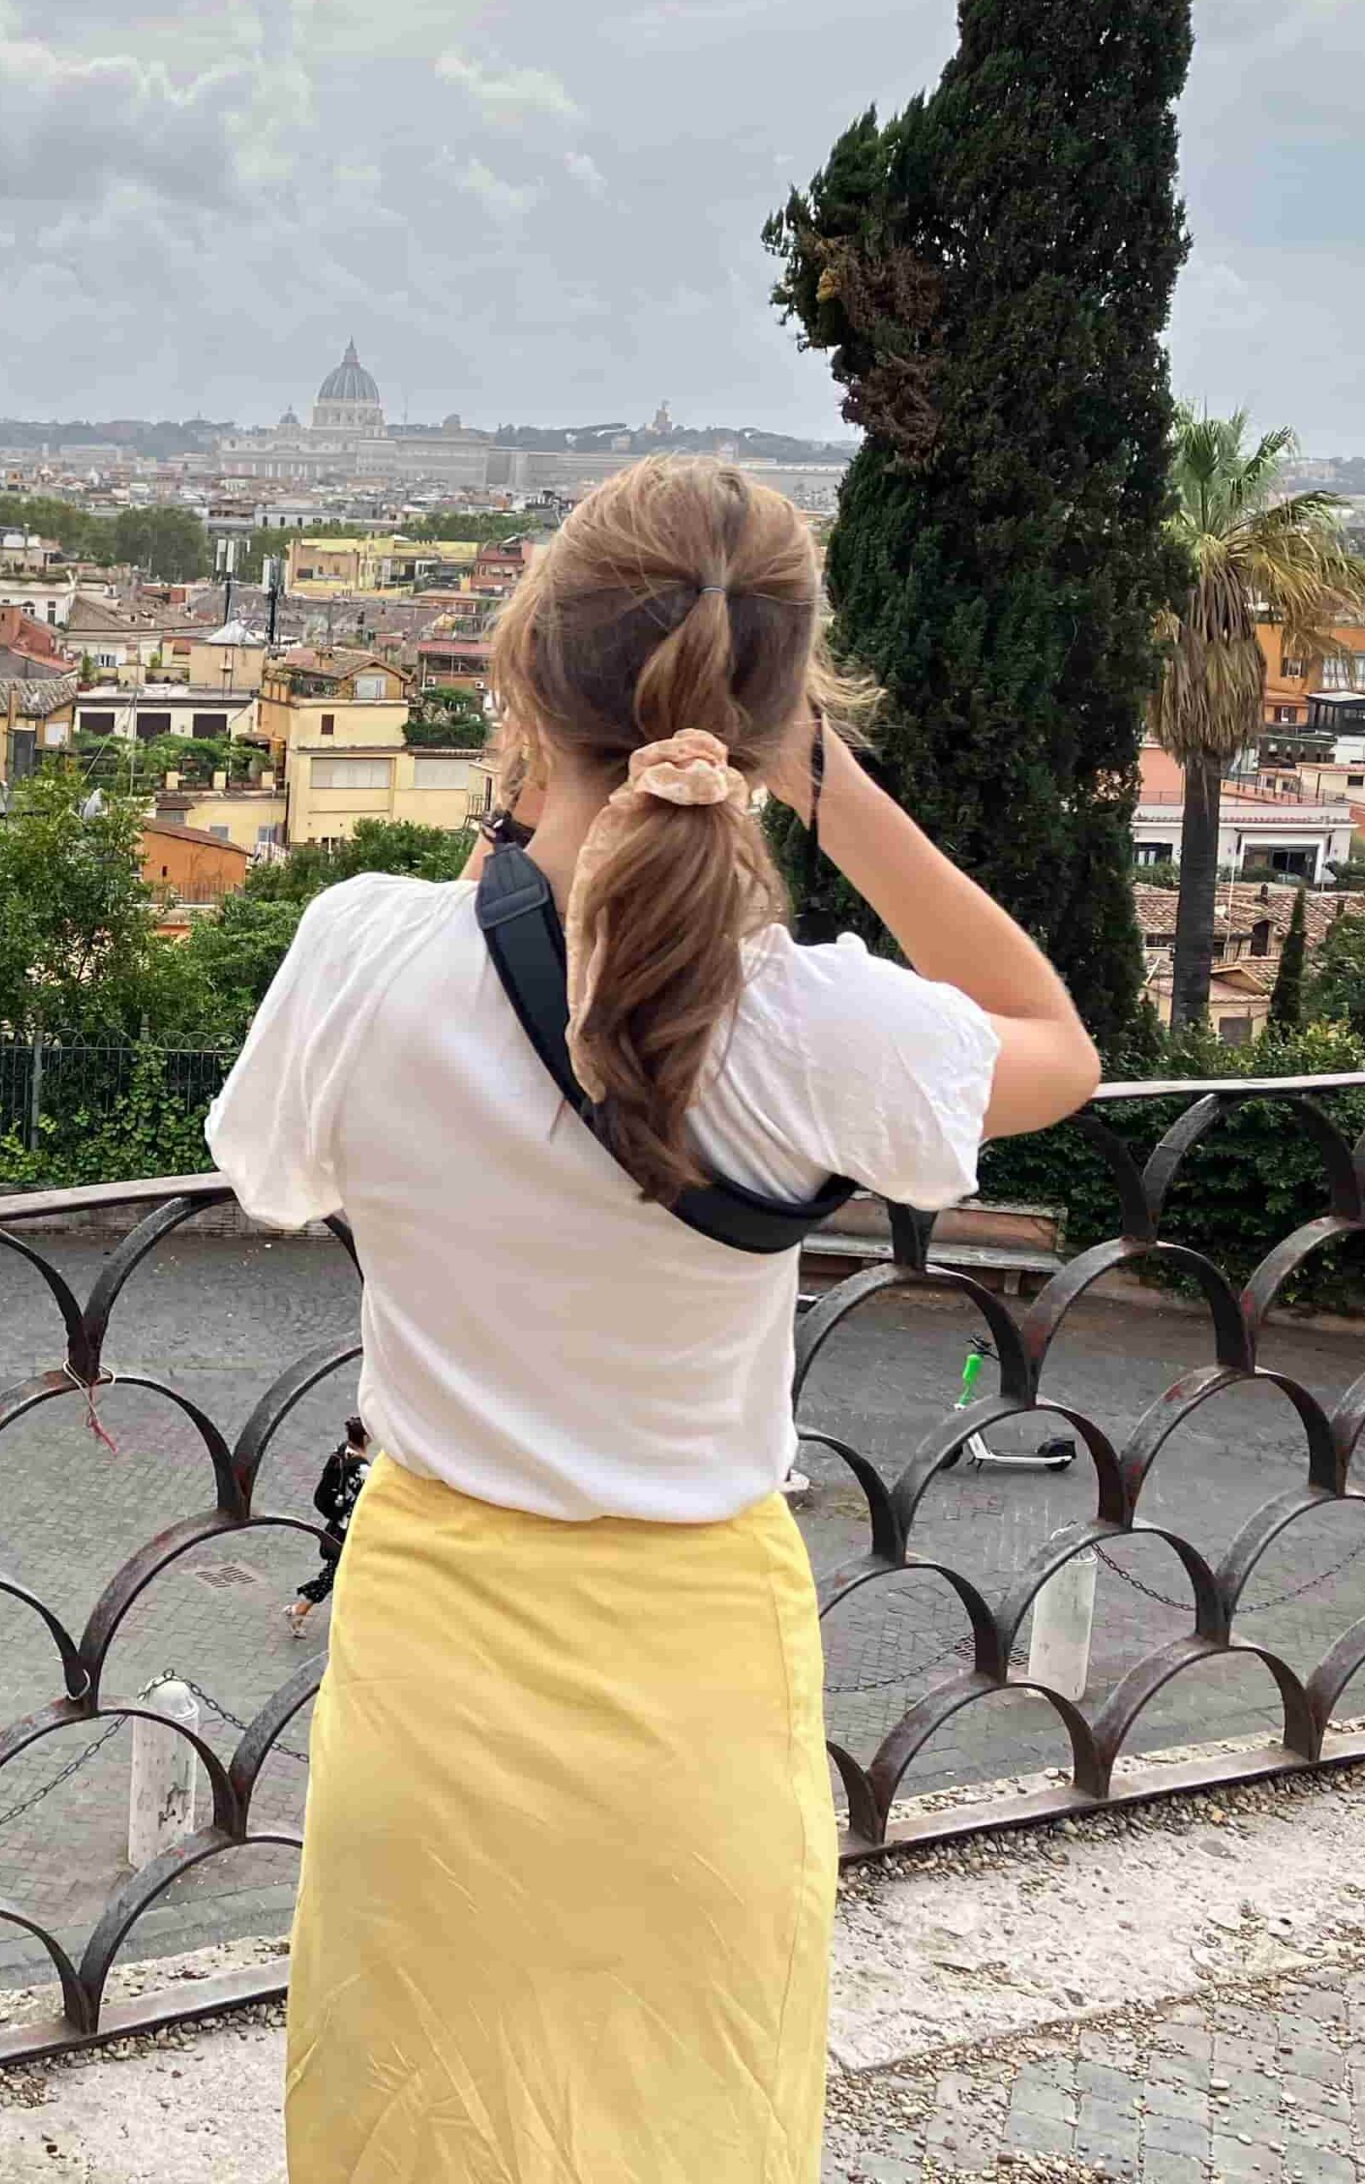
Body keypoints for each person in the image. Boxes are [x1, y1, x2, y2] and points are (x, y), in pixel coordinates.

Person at [205, 455, 1100, 2184]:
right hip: (692, 1672)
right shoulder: (807, 1029)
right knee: (688, 2122)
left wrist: (514, 828)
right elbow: (1046, 1036)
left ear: (523, 665)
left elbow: (276, 1174)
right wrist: (818, 784)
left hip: (435, 1655)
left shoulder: (359, 956)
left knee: (417, 2127)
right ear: (770, 718)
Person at [286, 1416, 370, 1636]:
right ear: (366, 1437)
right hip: (350, 1529)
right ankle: (299, 1610)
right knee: (333, 1572)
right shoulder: (363, 1470)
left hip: (338, 1522)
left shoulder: (342, 1451)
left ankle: (353, 1611)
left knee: (346, 1569)